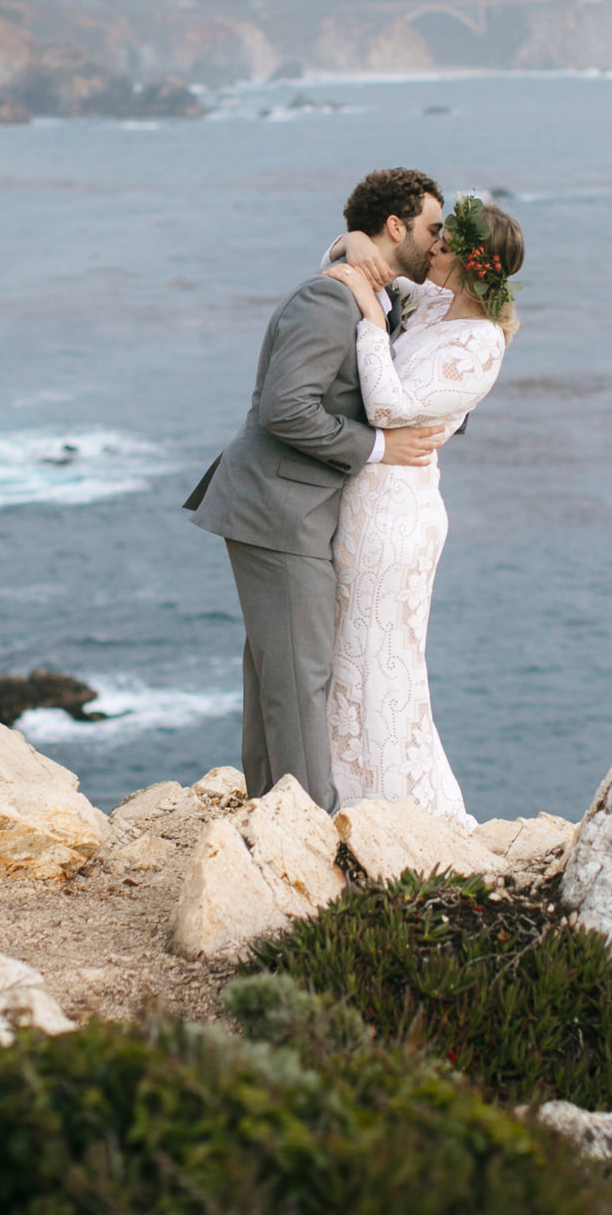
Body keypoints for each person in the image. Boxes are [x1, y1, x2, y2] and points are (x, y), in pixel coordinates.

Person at [185, 169, 451, 808]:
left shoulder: (375, 293)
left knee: (276, 677)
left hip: (292, 509)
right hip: (278, 510)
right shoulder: (328, 300)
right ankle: (306, 830)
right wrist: (380, 447)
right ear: (395, 227)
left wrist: (342, 244)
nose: (438, 242)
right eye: (432, 228)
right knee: (302, 679)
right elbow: (284, 409)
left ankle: (268, 814)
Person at [320, 193, 523, 823]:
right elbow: (358, 270)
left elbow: (389, 408)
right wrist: (351, 244)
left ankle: (396, 814)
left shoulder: (481, 345)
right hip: (365, 504)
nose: (430, 247)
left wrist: (372, 327)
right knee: (345, 660)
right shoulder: (435, 303)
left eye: (443, 243)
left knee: (383, 666)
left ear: (469, 261)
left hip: (396, 520)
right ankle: (342, 798)